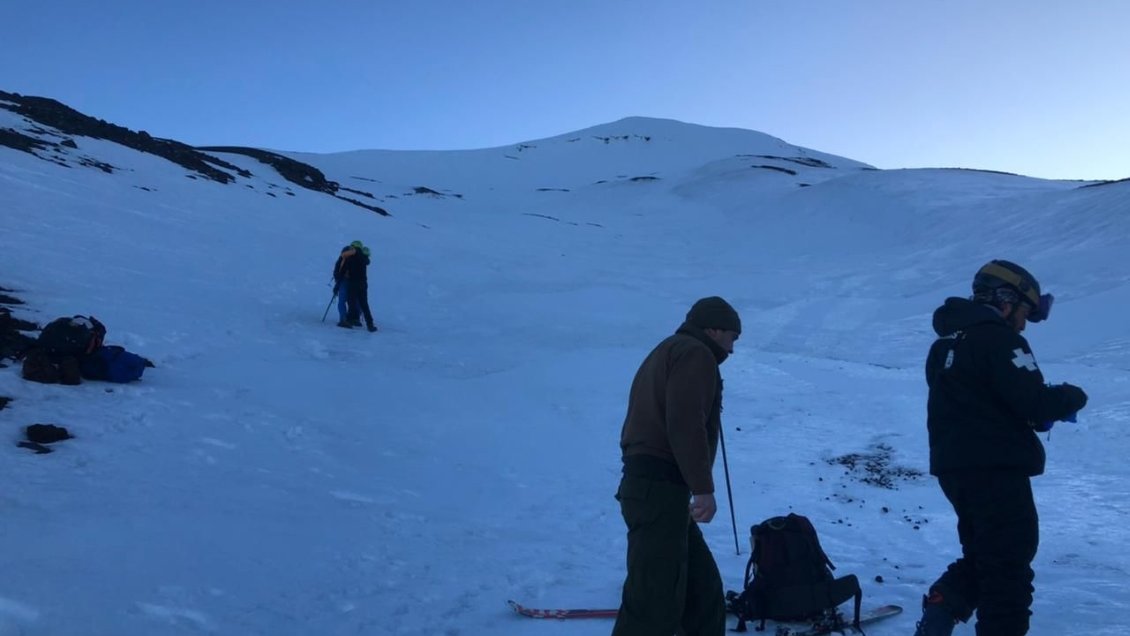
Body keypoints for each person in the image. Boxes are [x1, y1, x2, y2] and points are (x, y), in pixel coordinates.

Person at [915, 260, 1089, 636]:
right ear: (1006, 301)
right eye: (1025, 312)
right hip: (996, 471)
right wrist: (1071, 396)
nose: (1025, 323)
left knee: (985, 555)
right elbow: (1034, 404)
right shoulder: (1000, 339)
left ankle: (944, 604)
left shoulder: (944, 345)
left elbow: (983, 402)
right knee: (1009, 566)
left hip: (953, 470)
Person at [612, 296, 741, 636]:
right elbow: (684, 421)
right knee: (654, 599)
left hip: (655, 489)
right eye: (732, 336)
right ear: (713, 328)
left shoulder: (669, 350)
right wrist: (702, 488)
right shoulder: (694, 354)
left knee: (702, 591)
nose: (732, 346)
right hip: (658, 488)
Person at [345, 245, 377, 332]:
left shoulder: (351, 258)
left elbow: (346, 270)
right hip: (363, 284)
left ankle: (349, 320)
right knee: (364, 304)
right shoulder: (363, 258)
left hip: (353, 283)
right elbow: (367, 261)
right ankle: (370, 324)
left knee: (351, 302)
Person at [332, 240, 362, 328]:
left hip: (343, 281)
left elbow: (337, 270)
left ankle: (343, 319)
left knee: (342, 300)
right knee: (356, 300)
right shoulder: (359, 258)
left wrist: (337, 282)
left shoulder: (343, 256)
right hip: (353, 282)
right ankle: (354, 318)